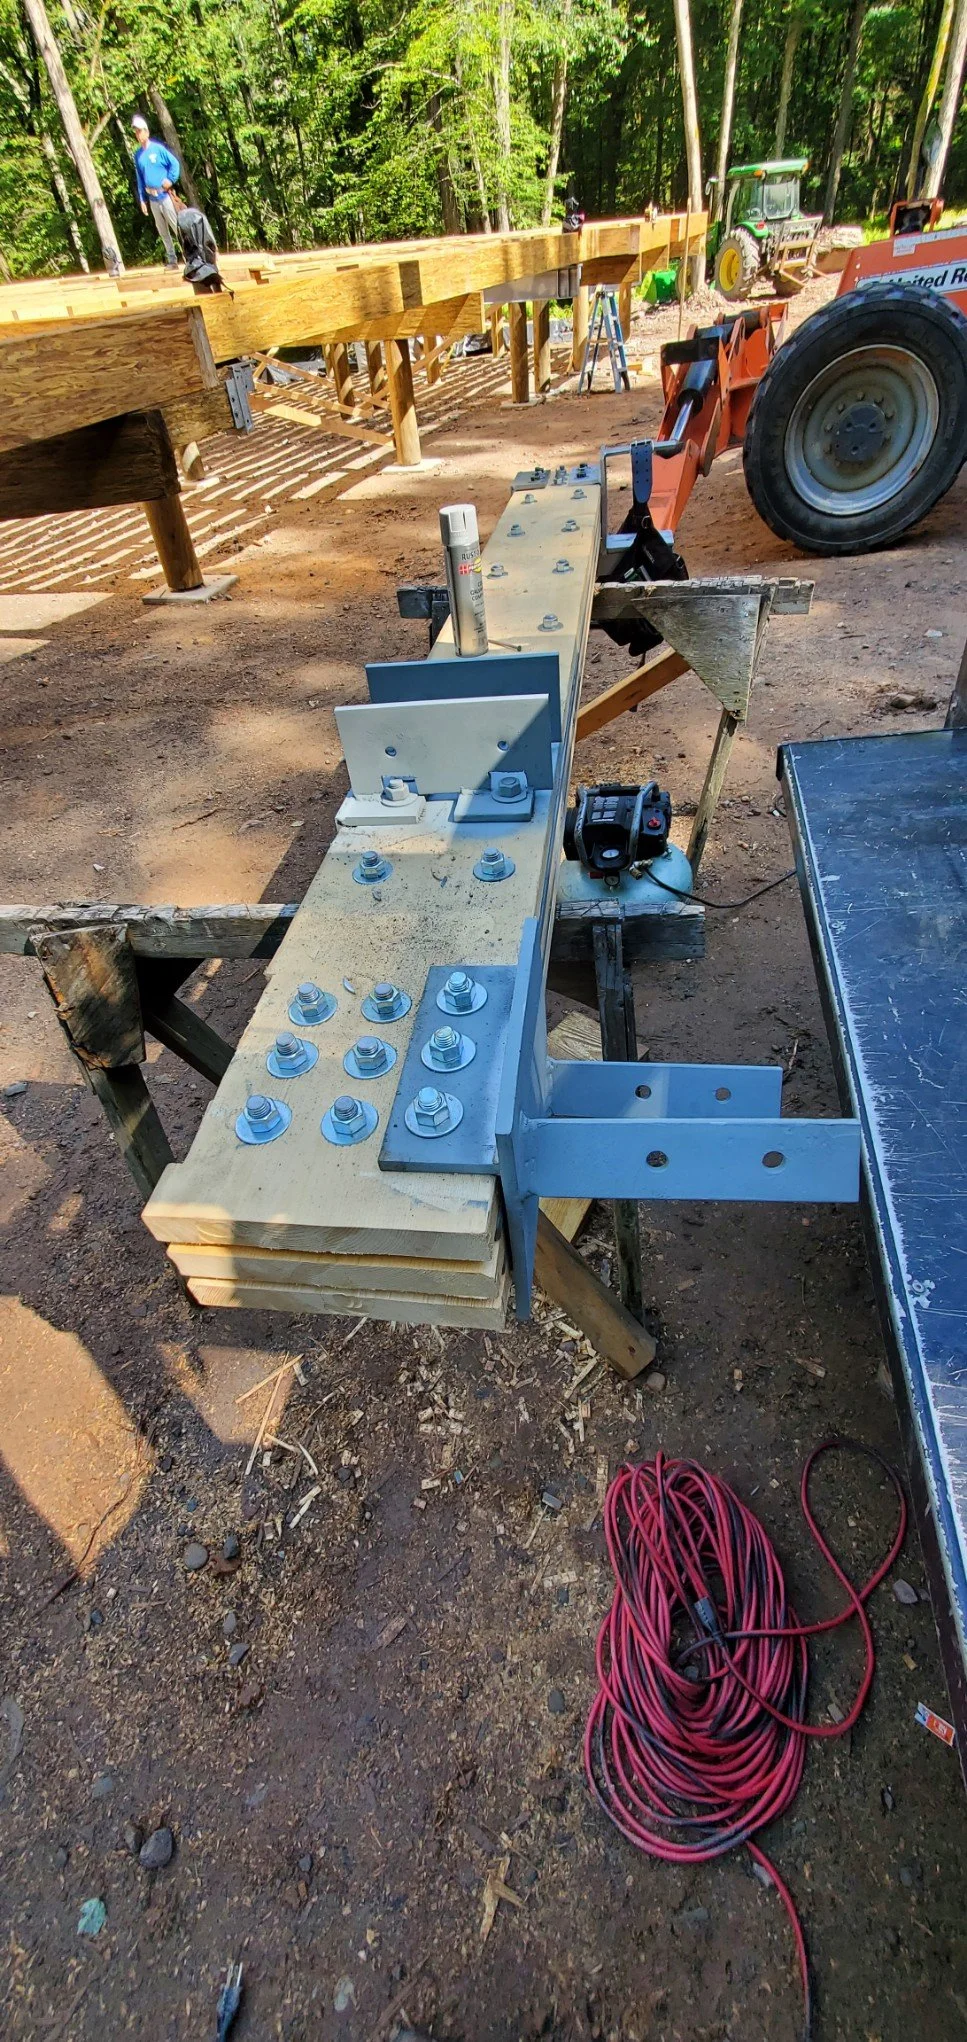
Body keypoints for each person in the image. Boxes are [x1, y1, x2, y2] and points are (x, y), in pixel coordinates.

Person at [131, 114, 181, 268]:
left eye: (140, 131)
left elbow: (175, 164)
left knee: (176, 227)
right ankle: (172, 259)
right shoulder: (138, 155)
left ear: (147, 131)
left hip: (165, 195)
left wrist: (170, 179)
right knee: (162, 230)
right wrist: (142, 199)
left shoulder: (158, 149)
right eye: (136, 132)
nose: (138, 135)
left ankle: (190, 256)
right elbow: (140, 177)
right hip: (152, 198)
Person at [172, 192, 223, 294]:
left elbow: (206, 242)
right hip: (200, 262)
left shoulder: (189, 217)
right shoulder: (190, 216)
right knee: (207, 276)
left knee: (204, 278)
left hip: (200, 264)